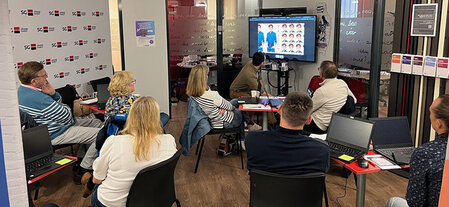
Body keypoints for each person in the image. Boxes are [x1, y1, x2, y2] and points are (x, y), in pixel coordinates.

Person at [17, 61, 102, 179]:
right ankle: (83, 169)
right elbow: (67, 114)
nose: (47, 77)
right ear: (34, 81)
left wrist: (53, 94)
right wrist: (54, 95)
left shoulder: (22, 91)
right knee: (102, 135)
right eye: (44, 75)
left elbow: (63, 112)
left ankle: (80, 159)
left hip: (58, 126)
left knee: (97, 123)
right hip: (55, 133)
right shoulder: (37, 98)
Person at [91, 96, 177, 207]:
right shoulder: (169, 141)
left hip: (114, 203)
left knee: (95, 190)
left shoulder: (114, 142)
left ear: (131, 117)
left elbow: (97, 179)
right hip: (155, 200)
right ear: (157, 118)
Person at [386, 94, 449, 207]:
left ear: (438, 123)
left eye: (431, 112)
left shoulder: (425, 153)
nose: (429, 116)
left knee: (392, 201)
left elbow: (415, 203)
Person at [245, 92, 330, 175]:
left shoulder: (253, 140)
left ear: (279, 109)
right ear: (309, 120)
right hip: (302, 189)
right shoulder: (321, 150)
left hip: (263, 189)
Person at [186, 65, 244, 139]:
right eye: (207, 75)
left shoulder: (192, 97)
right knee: (241, 109)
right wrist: (227, 109)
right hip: (225, 122)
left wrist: (219, 108)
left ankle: (247, 128)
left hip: (211, 121)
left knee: (236, 101)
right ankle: (244, 136)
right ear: (203, 78)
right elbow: (230, 107)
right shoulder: (212, 95)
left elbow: (208, 107)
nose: (207, 77)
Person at [303, 61, 356, 134]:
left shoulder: (321, 91)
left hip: (318, 126)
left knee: (286, 117)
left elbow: (308, 110)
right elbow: (354, 100)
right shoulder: (342, 83)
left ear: (321, 74)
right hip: (333, 124)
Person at [229, 52, 267, 130]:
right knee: (254, 100)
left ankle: (249, 122)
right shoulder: (250, 75)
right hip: (235, 92)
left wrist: (262, 88)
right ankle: (249, 123)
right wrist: (273, 97)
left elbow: (259, 78)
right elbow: (261, 92)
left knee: (257, 98)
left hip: (243, 90)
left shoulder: (251, 64)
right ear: (262, 63)